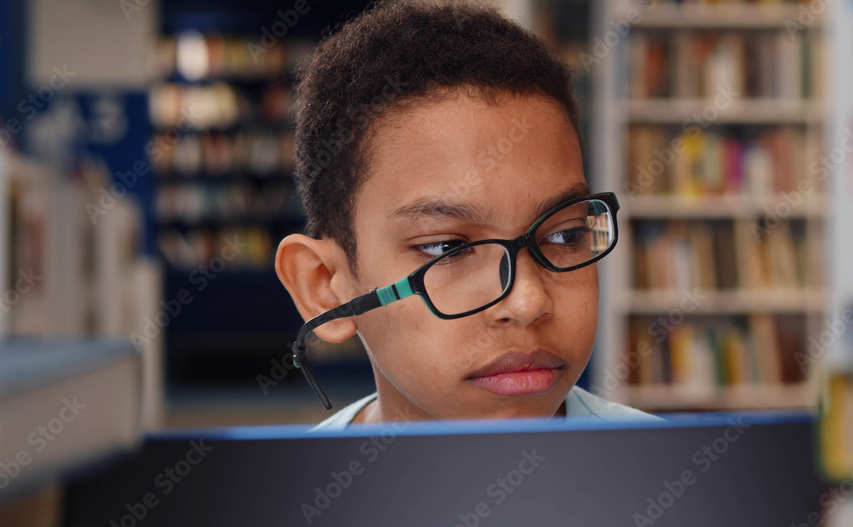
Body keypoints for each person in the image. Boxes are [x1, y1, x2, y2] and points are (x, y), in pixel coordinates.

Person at [274, 0, 656, 430]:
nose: (528, 302)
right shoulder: (271, 496)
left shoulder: (678, 471)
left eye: (566, 236)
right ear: (324, 286)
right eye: (448, 248)